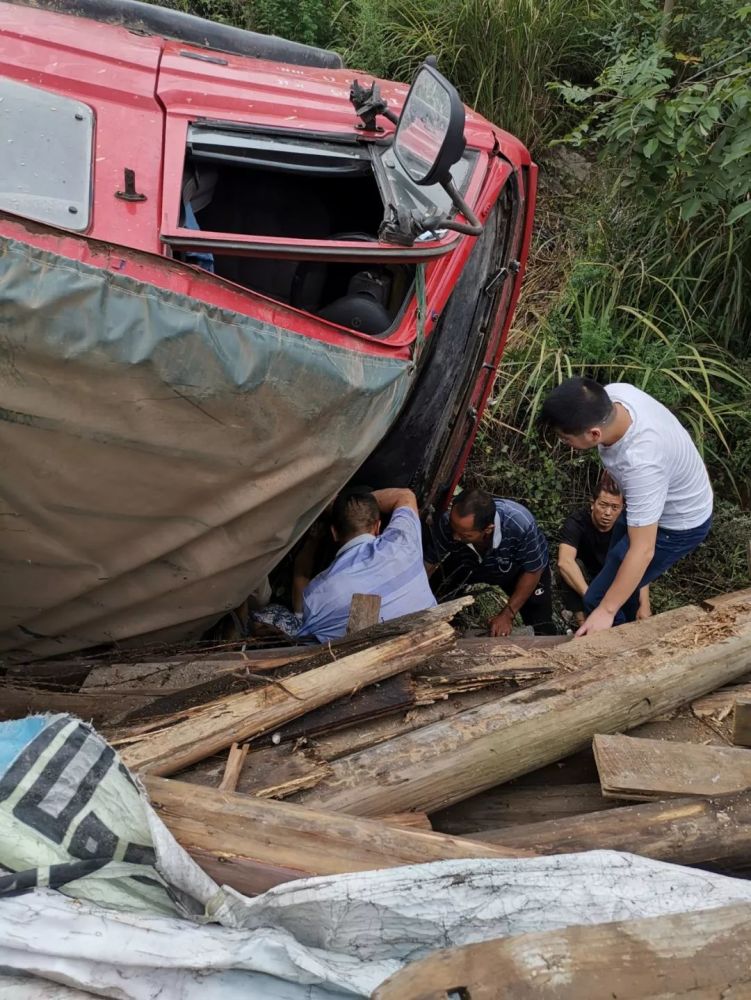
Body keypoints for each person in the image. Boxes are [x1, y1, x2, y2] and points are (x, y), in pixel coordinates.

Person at [540, 377, 713, 636]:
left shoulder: (642, 463)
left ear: (594, 434)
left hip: (678, 524)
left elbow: (643, 550)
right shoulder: (615, 396)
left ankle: (624, 654)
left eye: (566, 439)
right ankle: (631, 626)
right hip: (650, 501)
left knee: (597, 600)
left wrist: (607, 611)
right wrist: (618, 472)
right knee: (617, 566)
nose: (566, 444)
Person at [298, 486, 436, 642]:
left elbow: (305, 639)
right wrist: (360, 505)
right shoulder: (403, 542)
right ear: (378, 526)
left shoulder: (316, 593)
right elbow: (405, 495)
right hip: (433, 640)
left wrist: (344, 509)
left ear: (334, 533)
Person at [423, 488, 556, 636]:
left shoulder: (520, 525)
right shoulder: (449, 523)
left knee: (540, 620)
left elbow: (533, 571)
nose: (455, 537)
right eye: (454, 528)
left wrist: (507, 614)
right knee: (437, 591)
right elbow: (429, 563)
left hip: (518, 569)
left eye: (464, 534)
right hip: (469, 563)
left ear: (488, 529)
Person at [558, 475, 651, 627]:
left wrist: (645, 603)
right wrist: (591, 597)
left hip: (616, 578)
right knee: (571, 566)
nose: (608, 513)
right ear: (592, 504)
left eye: (614, 508)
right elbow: (565, 561)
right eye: (603, 505)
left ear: (622, 509)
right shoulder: (576, 522)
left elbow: (641, 561)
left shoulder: (629, 526)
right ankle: (582, 623)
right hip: (586, 582)